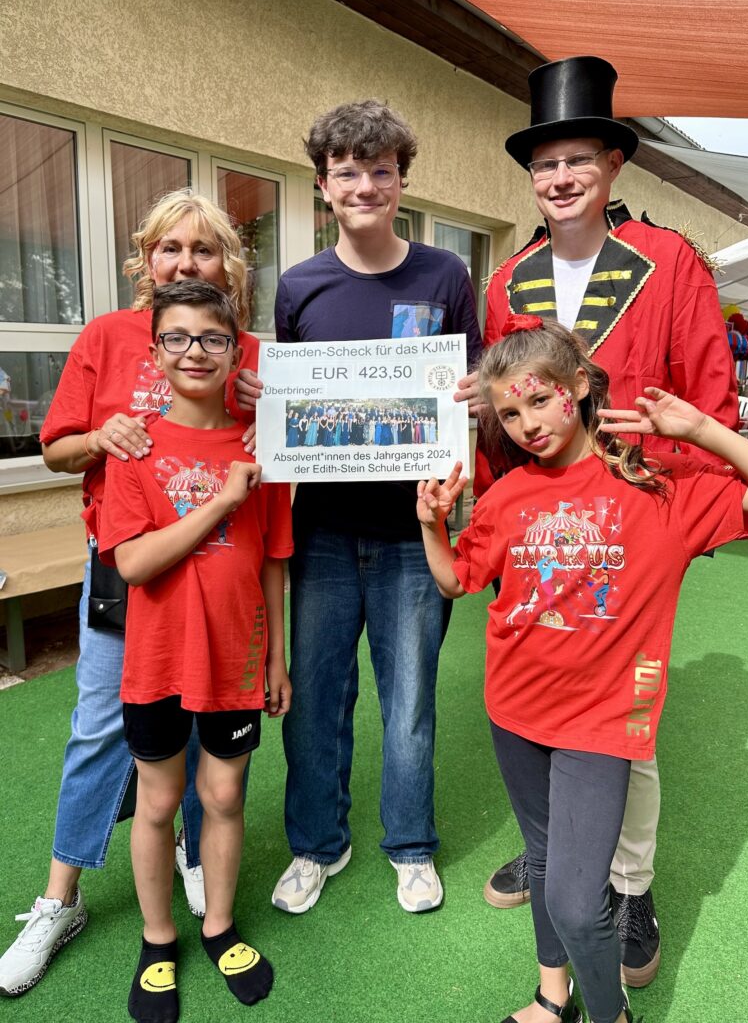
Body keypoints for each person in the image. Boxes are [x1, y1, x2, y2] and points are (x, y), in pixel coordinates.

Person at [417, 315, 748, 1023]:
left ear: (577, 386)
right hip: (513, 710)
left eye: (539, 400)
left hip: (602, 723)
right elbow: (455, 580)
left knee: (579, 903)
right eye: (509, 414)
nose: (527, 424)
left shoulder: (658, 487)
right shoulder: (507, 494)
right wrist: (430, 523)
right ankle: (554, 997)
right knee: (545, 860)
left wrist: (703, 430)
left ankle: (611, 1014)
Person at [480, 55, 739, 987]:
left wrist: (693, 511)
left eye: (577, 160)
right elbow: (504, 413)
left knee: (626, 714)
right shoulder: (507, 280)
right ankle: (556, 854)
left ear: (614, 164)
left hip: (643, 518)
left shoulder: (670, 262)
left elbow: (709, 389)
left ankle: (628, 886)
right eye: (545, 164)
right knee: (539, 686)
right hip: (542, 528)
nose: (560, 178)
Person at [0, 190, 258, 999]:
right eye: (169, 247)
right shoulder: (108, 336)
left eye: (203, 248)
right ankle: (60, 897)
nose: (185, 261)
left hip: (224, 567)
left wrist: (274, 410)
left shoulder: (247, 347)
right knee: (101, 724)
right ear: (145, 258)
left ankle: (194, 858)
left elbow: (280, 451)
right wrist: (97, 437)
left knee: (205, 730)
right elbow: (56, 450)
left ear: (227, 264)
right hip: (128, 559)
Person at [238, 99, 482, 913]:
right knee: (315, 701)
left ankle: (410, 845)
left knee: (409, 702)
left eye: (381, 171)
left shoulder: (446, 277)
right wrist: (267, 405)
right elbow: (290, 399)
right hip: (322, 533)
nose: (365, 186)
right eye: (348, 173)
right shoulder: (299, 286)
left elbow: (473, 384)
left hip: (416, 532)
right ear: (323, 185)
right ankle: (317, 844)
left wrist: (474, 396)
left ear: (401, 180)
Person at [96, 280, 291, 1022]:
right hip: (156, 661)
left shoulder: (260, 448)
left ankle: (219, 927)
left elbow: (272, 560)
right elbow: (134, 563)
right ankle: (157, 939)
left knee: (224, 796)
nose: (195, 352)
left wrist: (276, 658)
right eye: (176, 338)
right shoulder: (135, 448)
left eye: (213, 338)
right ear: (155, 353)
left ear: (236, 351)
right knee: (159, 801)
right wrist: (221, 501)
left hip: (237, 657)